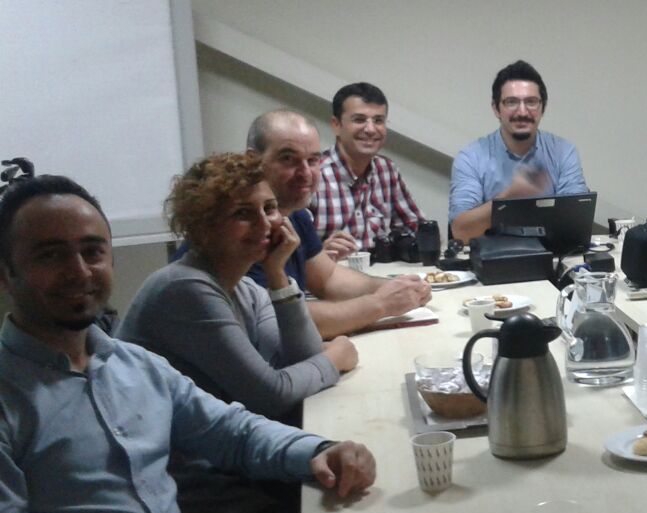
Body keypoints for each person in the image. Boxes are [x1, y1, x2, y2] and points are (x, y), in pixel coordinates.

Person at [0, 174, 376, 513]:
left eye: (93, 251)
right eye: (50, 255)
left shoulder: (133, 365)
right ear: (5, 273)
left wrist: (319, 450)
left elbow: (232, 431)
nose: (79, 271)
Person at [118, 152, 358, 513]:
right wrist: (334, 358)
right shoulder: (184, 288)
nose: (266, 224)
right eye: (244, 214)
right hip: (195, 502)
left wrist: (279, 275)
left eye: (270, 208)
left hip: (240, 469)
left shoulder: (245, 287)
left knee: (353, 504)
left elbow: (302, 361)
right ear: (204, 227)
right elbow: (272, 394)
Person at [245, 109, 432, 338]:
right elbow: (275, 318)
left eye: (313, 160)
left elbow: (328, 279)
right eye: (288, 159)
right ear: (252, 161)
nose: (305, 173)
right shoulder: (243, 225)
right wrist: (381, 304)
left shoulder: (295, 214)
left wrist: (400, 288)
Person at [449, 60, 589, 242]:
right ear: (496, 109)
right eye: (511, 102)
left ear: (543, 107)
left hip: (550, 254)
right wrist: (510, 197)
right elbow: (461, 233)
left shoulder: (563, 152)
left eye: (531, 102)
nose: (522, 112)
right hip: (493, 256)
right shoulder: (471, 158)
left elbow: (576, 223)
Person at [311, 81, 426, 250]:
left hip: (379, 266)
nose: (371, 129)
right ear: (336, 125)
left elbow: (417, 227)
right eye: (359, 120)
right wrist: (319, 253)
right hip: (330, 266)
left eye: (378, 120)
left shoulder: (386, 170)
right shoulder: (313, 175)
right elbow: (293, 251)